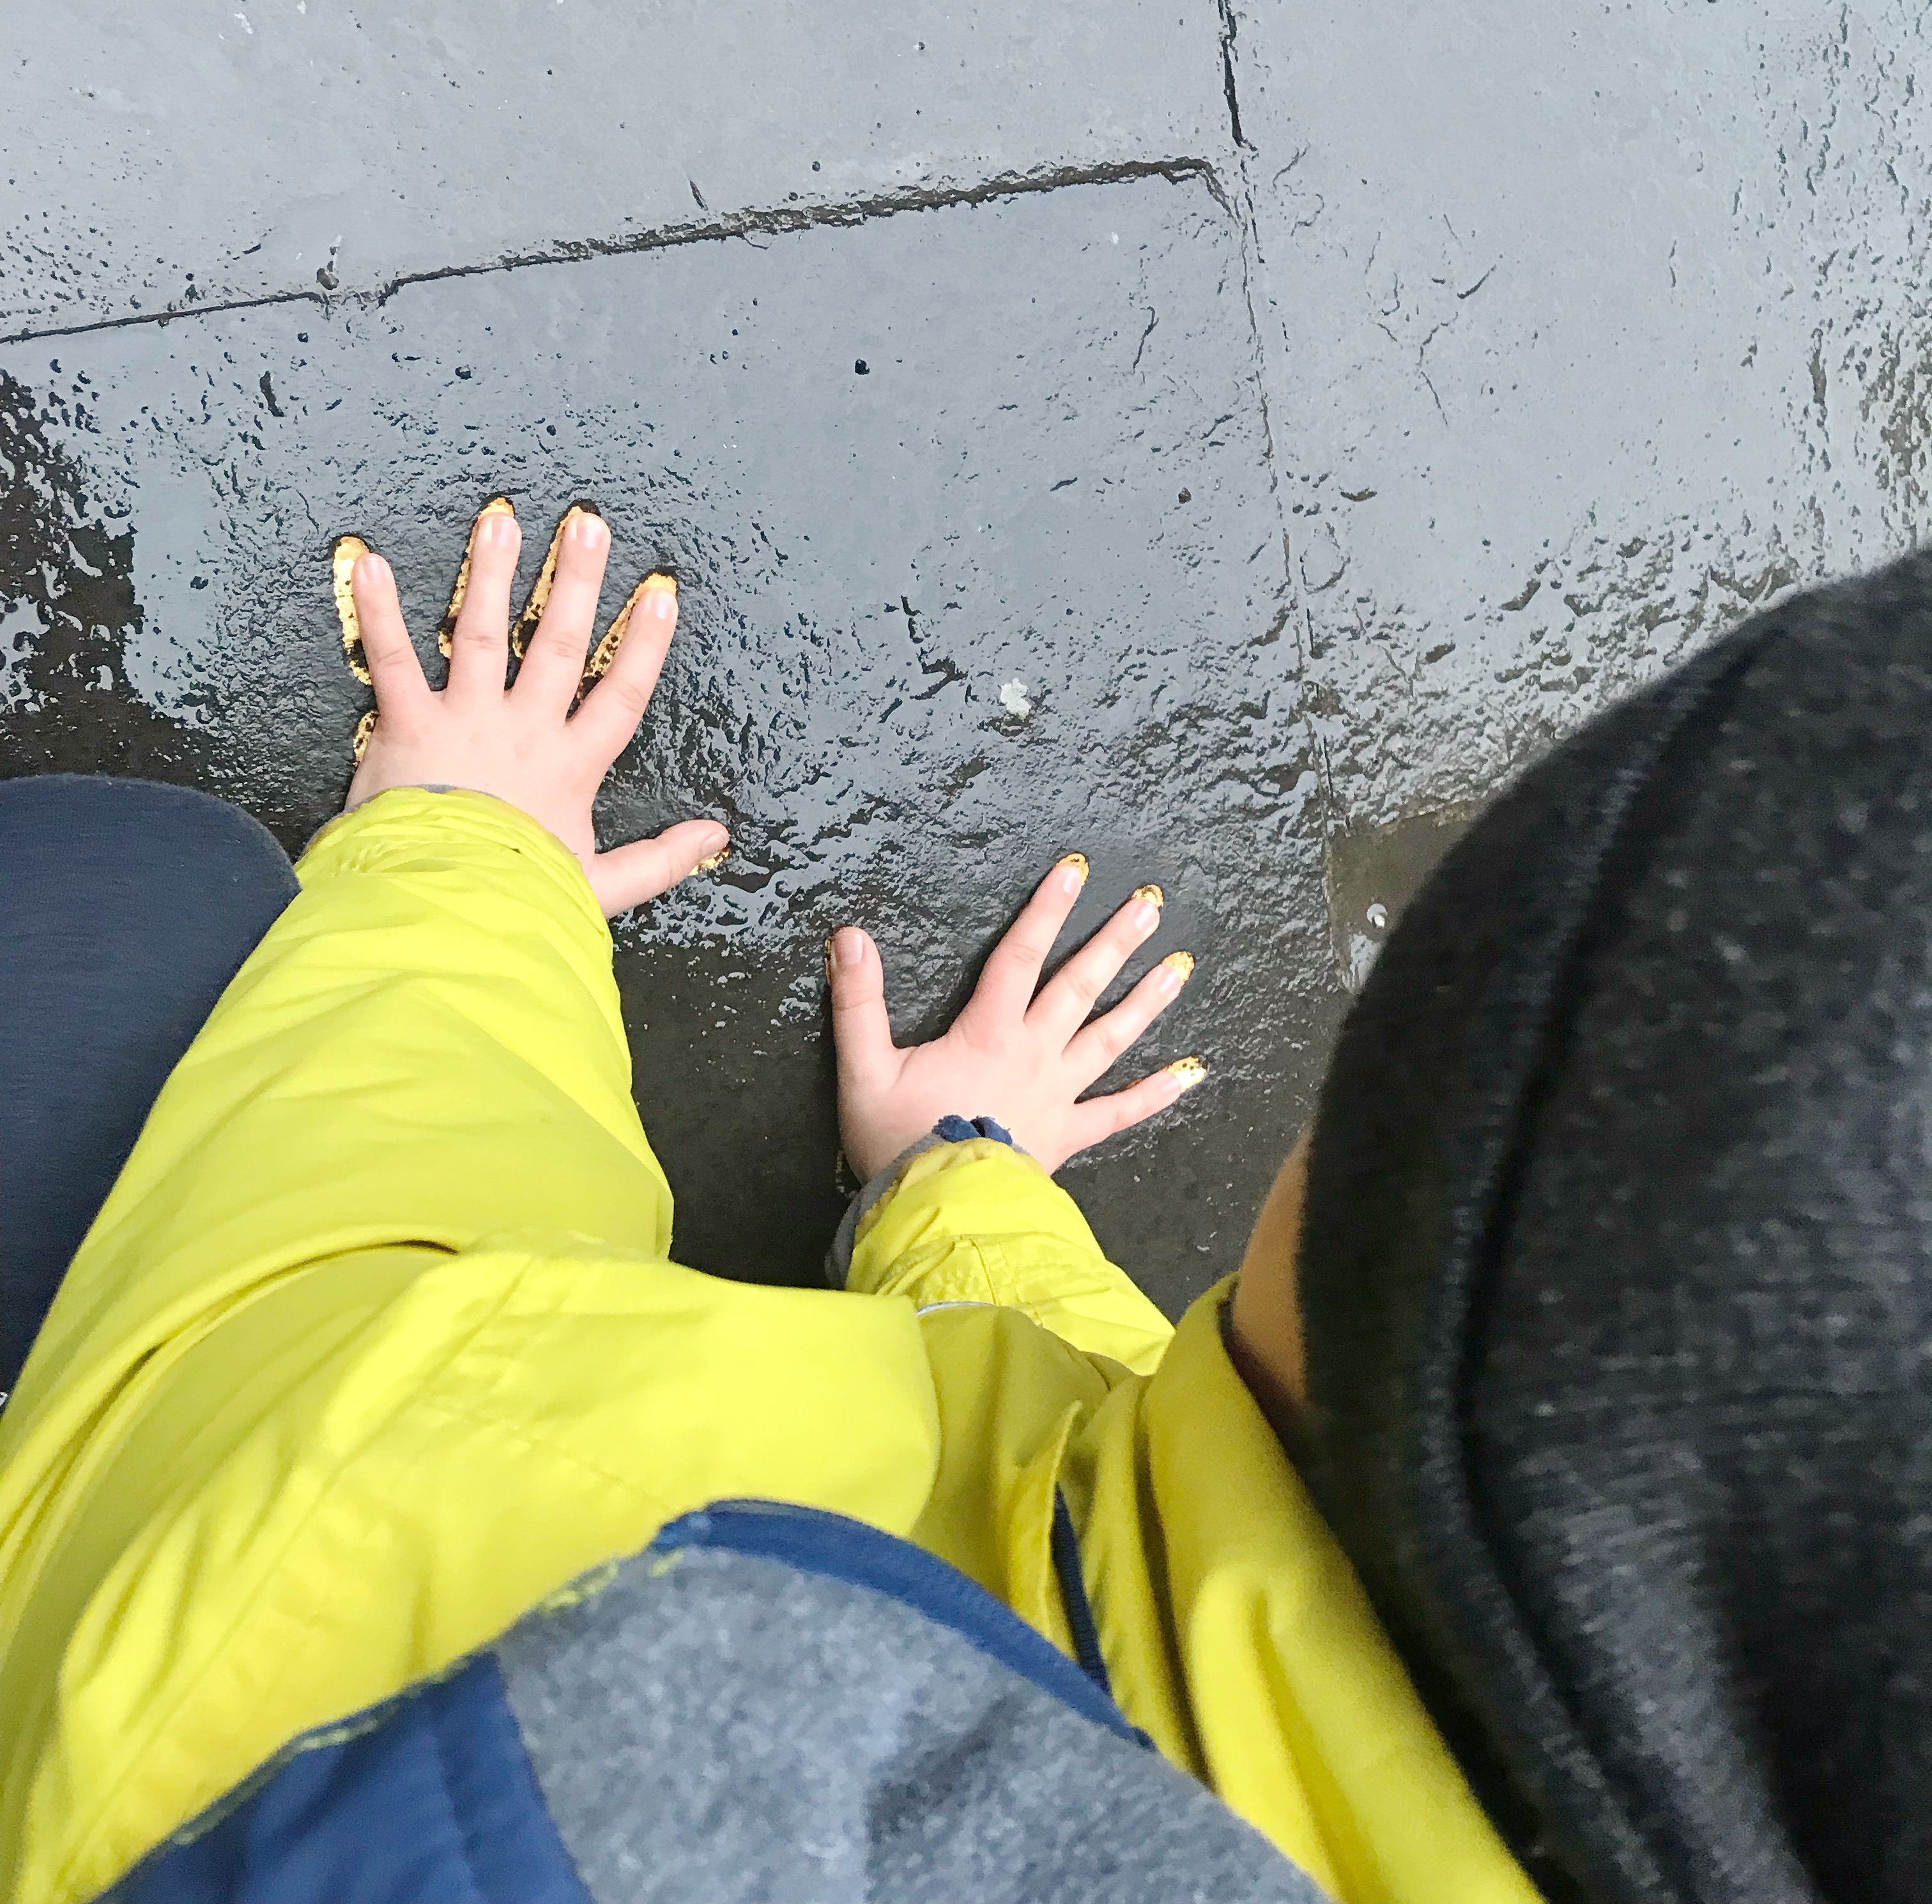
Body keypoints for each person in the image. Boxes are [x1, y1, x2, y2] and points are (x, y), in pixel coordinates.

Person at [5, 493, 1924, 1904]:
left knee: (149, 900)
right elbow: (1176, 1539)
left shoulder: (514, 1629)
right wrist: (959, 1185)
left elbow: (305, 1273)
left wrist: (464, 864)